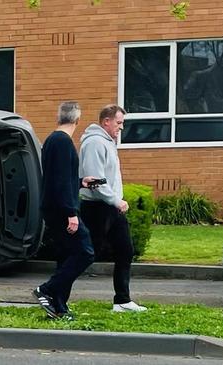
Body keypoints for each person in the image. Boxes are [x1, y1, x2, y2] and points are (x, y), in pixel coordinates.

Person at [79, 104, 147, 312]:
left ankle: (122, 300)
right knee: (86, 254)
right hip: (97, 207)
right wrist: (116, 200)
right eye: (118, 123)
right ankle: (52, 290)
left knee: (125, 250)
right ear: (106, 121)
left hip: (111, 207)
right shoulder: (94, 143)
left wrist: (116, 201)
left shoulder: (108, 142)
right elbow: (95, 181)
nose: (121, 128)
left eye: (122, 123)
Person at [33, 101, 96, 321]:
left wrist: (81, 182)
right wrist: (71, 213)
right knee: (84, 252)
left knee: (66, 255)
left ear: (59, 117)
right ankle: (47, 290)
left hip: (54, 207)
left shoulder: (51, 140)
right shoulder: (62, 142)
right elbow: (59, 180)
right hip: (62, 209)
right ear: (78, 120)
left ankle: (59, 307)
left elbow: (58, 179)